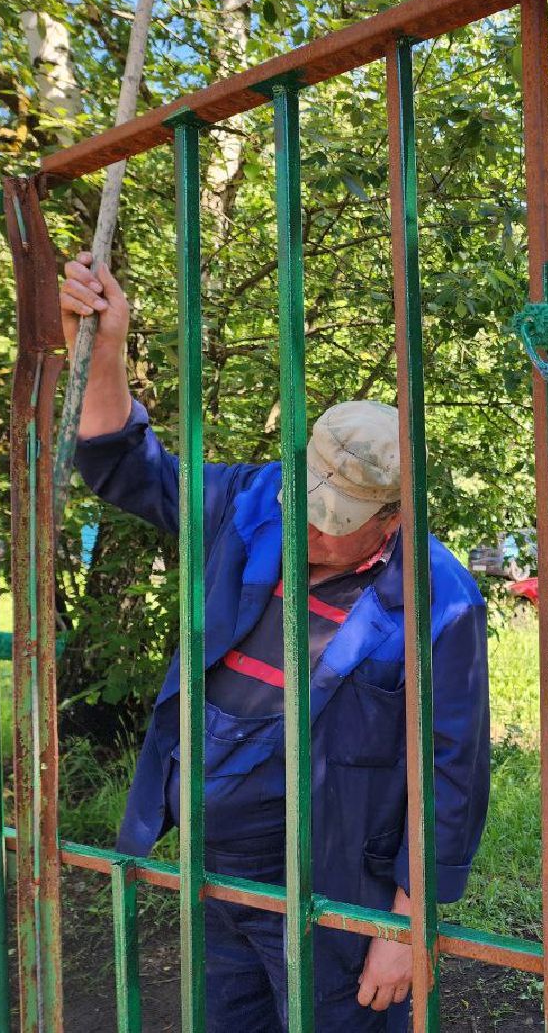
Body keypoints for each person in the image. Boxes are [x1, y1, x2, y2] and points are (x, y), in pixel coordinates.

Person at [60, 252, 491, 1032]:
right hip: (210, 871)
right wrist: (106, 348)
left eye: (333, 521)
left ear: (393, 518)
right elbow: (127, 467)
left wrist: (407, 925)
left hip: (329, 892)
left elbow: (451, 774)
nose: (305, 528)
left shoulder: (442, 602)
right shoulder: (253, 498)